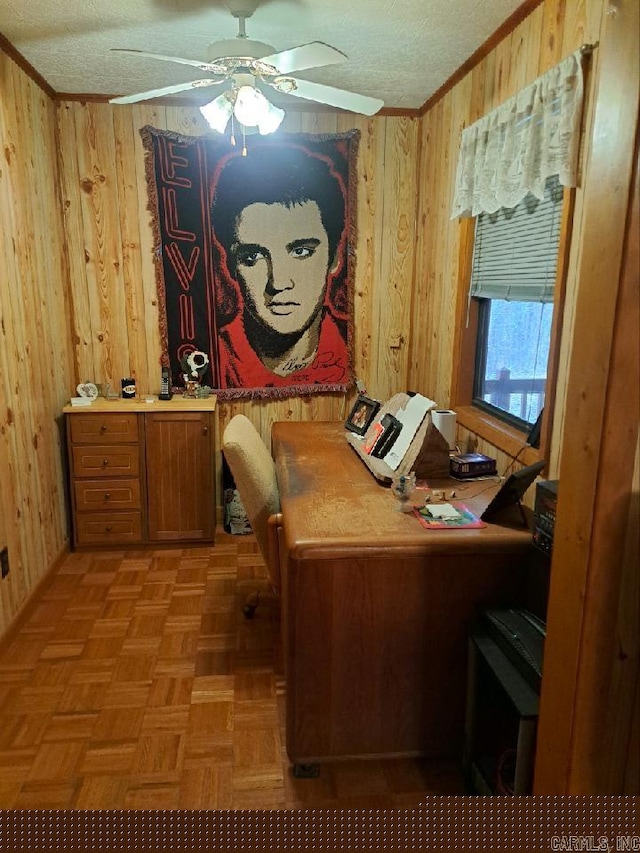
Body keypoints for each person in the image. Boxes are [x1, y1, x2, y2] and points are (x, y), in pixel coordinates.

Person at [209, 143, 351, 391]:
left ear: (334, 258)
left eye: (301, 252)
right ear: (231, 266)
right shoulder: (214, 359)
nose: (279, 283)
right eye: (252, 256)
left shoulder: (351, 353)